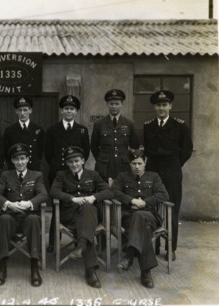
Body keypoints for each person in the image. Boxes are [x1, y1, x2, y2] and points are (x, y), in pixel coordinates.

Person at [50, 146, 113, 288]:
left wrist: (93, 197)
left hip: (88, 215)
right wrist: (72, 199)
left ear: (83, 160)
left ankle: (83, 250)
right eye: (70, 161)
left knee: (88, 209)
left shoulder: (93, 175)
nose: (74, 164)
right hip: (70, 216)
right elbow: (53, 191)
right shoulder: (61, 175)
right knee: (87, 225)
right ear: (66, 163)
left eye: (77, 161)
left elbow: (108, 192)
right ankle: (90, 270)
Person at [143, 90, 193, 261]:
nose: (161, 108)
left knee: (171, 209)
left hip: (172, 173)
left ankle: (170, 248)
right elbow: (148, 150)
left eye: (164, 105)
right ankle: (154, 245)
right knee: (151, 208)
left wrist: (175, 164)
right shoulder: (148, 126)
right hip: (152, 173)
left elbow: (186, 149)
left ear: (170, 106)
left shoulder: (180, 126)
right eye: (158, 105)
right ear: (154, 107)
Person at [0, 143, 47, 287]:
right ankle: (2, 267)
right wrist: (9, 204)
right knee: (3, 219)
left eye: (23, 158)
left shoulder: (37, 175)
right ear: (12, 161)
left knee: (35, 219)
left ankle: (34, 267)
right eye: (16, 159)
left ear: (28, 159)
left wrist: (29, 203)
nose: (20, 162)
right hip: (11, 217)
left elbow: (43, 194)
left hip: (29, 216)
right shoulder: (5, 175)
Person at [111, 149, 169, 288]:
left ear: (145, 163)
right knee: (145, 228)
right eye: (133, 163)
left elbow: (163, 195)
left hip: (150, 215)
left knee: (141, 216)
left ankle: (129, 255)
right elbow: (113, 191)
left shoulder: (154, 177)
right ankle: (146, 272)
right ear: (129, 164)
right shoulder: (122, 177)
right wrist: (131, 200)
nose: (136, 166)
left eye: (139, 163)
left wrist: (145, 202)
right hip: (129, 218)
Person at [45, 95, 90, 252]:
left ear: (76, 111)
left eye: (72, 108)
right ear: (62, 110)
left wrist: (75, 167)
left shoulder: (82, 130)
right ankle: (53, 243)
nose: (68, 111)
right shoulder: (52, 130)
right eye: (66, 108)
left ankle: (79, 241)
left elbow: (86, 152)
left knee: (77, 205)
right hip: (58, 173)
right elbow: (48, 154)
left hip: (76, 173)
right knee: (58, 205)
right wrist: (60, 166)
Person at [91, 89, 139, 183]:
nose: (114, 106)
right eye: (111, 104)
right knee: (104, 192)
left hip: (123, 166)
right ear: (107, 104)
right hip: (104, 166)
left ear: (122, 104)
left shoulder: (129, 123)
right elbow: (93, 146)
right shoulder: (99, 124)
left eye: (117, 104)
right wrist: (102, 159)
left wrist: (126, 159)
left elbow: (135, 146)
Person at [3, 96, 45, 171]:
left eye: (25, 110)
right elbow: (6, 153)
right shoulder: (9, 130)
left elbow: (40, 153)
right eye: (20, 110)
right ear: (16, 111)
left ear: (30, 110)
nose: (22, 113)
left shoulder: (39, 130)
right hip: (15, 169)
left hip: (33, 169)